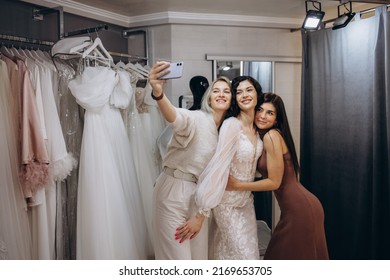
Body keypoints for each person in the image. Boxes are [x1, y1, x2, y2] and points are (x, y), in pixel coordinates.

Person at [227, 92, 329, 260]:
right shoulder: (268, 136)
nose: (262, 116)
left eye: (270, 113)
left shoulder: (271, 136)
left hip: (300, 209)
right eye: (260, 110)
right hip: (298, 207)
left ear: (277, 119)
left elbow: (274, 182)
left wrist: (237, 185)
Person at [148, 61, 232, 260]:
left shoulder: (227, 131)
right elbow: (175, 118)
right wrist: (159, 94)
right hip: (173, 190)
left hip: (199, 199)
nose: (221, 94)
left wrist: (201, 215)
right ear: (209, 98)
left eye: (226, 91)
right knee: (176, 260)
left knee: (199, 259)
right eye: (216, 90)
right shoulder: (196, 118)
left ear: (231, 99)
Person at [176, 76, 264, 260]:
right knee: (246, 258)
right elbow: (217, 168)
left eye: (249, 90)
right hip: (226, 205)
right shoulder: (231, 125)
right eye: (239, 92)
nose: (244, 95)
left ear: (257, 94)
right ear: (235, 99)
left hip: (246, 204)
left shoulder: (258, 127)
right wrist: (201, 215)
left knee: (231, 255)